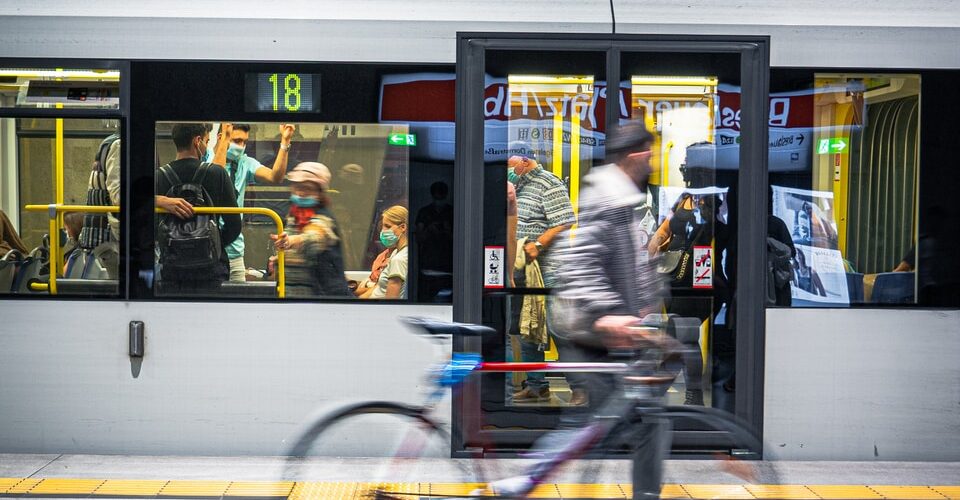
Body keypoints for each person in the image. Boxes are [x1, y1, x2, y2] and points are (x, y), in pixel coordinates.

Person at [483, 122, 667, 499]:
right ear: (636, 155)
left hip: (609, 327)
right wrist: (607, 313)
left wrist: (647, 302)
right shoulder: (609, 197)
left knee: (637, 421)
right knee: (598, 425)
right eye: (649, 154)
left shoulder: (618, 196)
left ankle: (533, 479)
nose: (653, 162)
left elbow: (628, 260)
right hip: (595, 330)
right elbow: (583, 261)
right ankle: (525, 480)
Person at [507, 142, 578, 404]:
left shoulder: (549, 182)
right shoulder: (518, 185)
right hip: (525, 268)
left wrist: (539, 244)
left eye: (511, 165)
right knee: (529, 327)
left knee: (559, 328)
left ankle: (580, 387)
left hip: (551, 269)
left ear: (524, 161)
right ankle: (537, 385)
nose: (509, 171)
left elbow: (565, 219)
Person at [155, 123, 241, 293]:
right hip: (211, 267)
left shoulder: (159, 177)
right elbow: (234, 225)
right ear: (197, 141)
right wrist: (214, 242)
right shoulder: (217, 174)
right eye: (207, 141)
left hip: (173, 266)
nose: (206, 146)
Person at [217, 123, 296, 282]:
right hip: (207, 248)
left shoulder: (245, 162)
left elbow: (275, 177)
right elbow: (214, 176)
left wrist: (285, 142)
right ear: (221, 138)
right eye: (237, 140)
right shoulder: (205, 158)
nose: (241, 146)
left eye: (245, 142)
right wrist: (224, 141)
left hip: (234, 250)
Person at [270, 162, 350, 298]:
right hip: (289, 294)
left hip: (321, 297)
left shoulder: (324, 217)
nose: (301, 193)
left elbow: (314, 238)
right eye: (297, 187)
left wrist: (290, 241)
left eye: (307, 189)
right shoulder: (291, 217)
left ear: (320, 192)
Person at [359, 205, 409, 299]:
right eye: (383, 226)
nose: (383, 231)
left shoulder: (399, 260)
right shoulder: (395, 253)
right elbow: (379, 288)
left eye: (387, 226)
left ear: (402, 227)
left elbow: (390, 301)